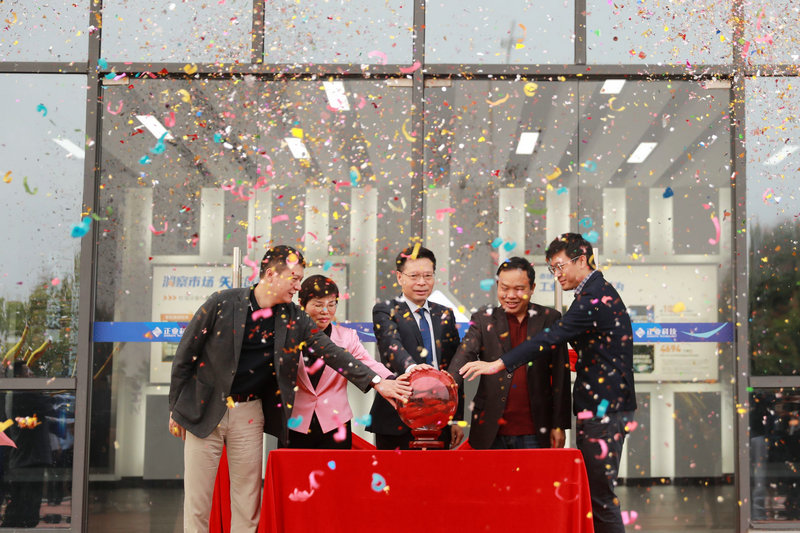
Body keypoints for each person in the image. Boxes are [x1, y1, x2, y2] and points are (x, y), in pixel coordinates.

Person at [168, 245, 411, 533]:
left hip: (249, 413)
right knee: (198, 501)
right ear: (271, 274)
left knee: (247, 501)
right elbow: (186, 355)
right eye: (294, 279)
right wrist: (175, 409)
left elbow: (332, 352)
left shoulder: (293, 316)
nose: (297, 287)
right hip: (204, 407)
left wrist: (377, 381)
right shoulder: (222, 302)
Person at [461, 233, 636, 533]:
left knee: (600, 498)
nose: (557, 275)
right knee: (597, 496)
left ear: (582, 260)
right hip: (604, 407)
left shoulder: (592, 297)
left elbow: (550, 338)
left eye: (560, 266)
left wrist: (499, 364)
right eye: (553, 269)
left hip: (604, 411)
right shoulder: (593, 292)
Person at [448, 256, 571, 450]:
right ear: (497, 286)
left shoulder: (549, 319)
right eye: (504, 288)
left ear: (532, 288)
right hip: (490, 429)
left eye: (519, 289)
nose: (511, 295)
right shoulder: (483, 320)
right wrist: (443, 394)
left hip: (536, 429)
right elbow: (461, 361)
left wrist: (559, 425)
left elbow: (560, 375)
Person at [366, 245, 464, 450]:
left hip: (439, 416)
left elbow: (454, 365)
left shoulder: (445, 314)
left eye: (428, 275)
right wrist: (413, 369)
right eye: (414, 276)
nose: (422, 282)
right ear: (399, 277)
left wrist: (455, 418)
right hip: (396, 417)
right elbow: (391, 346)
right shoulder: (385, 310)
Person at [282, 275, 393, 449]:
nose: (325, 311)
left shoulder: (347, 337)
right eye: (318, 304)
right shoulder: (287, 335)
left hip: (335, 423)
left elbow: (368, 363)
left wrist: (394, 380)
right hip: (295, 421)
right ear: (301, 304)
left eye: (331, 304)